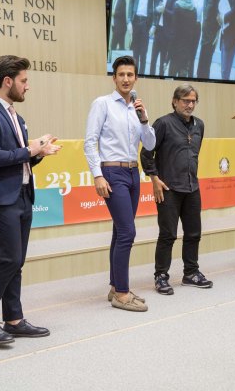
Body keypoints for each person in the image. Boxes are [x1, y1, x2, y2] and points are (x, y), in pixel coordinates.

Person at [0, 56, 62, 344]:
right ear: (7, 81)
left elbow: (19, 160)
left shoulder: (17, 117)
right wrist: (31, 149)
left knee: (17, 261)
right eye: (24, 81)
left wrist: (39, 153)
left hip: (23, 195)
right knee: (9, 259)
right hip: (1, 199)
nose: (27, 86)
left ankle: (14, 319)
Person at [84, 55, 156, 312]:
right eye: (121, 75)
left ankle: (116, 287)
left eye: (130, 75)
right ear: (114, 78)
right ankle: (123, 294)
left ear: (136, 78)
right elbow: (90, 142)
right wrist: (97, 175)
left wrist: (144, 119)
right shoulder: (102, 104)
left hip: (133, 173)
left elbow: (150, 144)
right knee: (127, 232)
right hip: (112, 172)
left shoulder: (137, 109)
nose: (126, 79)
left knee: (120, 231)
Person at [140, 84, 213, 295]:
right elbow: (146, 153)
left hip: (192, 187)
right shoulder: (163, 123)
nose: (190, 105)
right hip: (168, 188)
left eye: (193, 101)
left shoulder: (199, 125)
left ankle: (191, 273)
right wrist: (154, 178)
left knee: (194, 233)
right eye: (185, 101)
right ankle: (161, 276)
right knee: (168, 234)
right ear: (175, 101)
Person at [128, 0, 160, 75]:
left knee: (143, 54)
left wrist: (154, 24)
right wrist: (129, 21)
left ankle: (141, 75)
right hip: (135, 21)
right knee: (135, 53)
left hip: (146, 23)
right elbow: (131, 2)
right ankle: (134, 76)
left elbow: (156, 5)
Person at [196, 0, 221, 79]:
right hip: (204, 36)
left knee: (206, 66)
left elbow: (219, 17)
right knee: (200, 67)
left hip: (211, 38)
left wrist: (217, 36)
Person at [220, 0, 235, 80]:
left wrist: (223, 18)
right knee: (223, 70)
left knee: (225, 71)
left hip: (231, 36)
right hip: (224, 33)